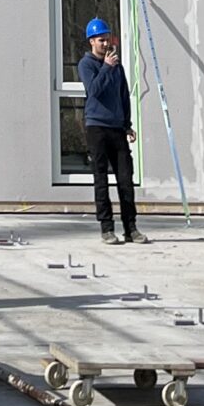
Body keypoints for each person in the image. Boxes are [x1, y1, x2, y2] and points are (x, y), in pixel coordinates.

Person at [78, 16, 143, 245]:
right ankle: (106, 228)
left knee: (125, 179)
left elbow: (123, 95)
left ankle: (131, 228)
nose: (105, 44)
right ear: (91, 42)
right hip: (96, 127)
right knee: (101, 179)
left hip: (116, 128)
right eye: (101, 40)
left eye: (107, 39)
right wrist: (106, 67)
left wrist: (127, 124)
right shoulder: (86, 64)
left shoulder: (117, 66)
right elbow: (94, 91)